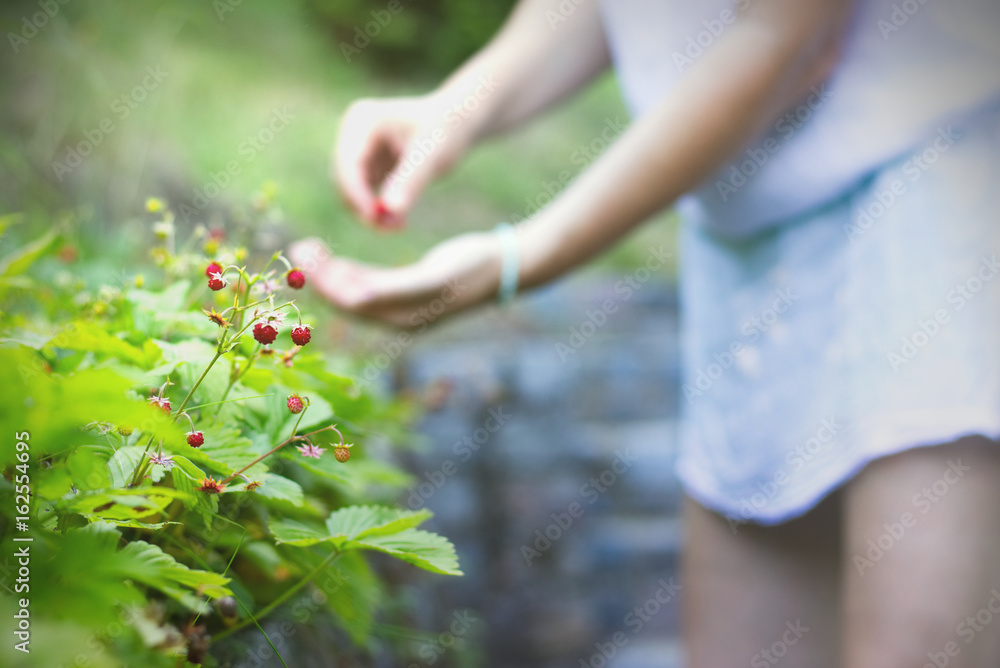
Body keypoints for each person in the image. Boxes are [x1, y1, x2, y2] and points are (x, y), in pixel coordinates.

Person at [290, 0, 1000, 665]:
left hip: (944, 193)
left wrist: (519, 259)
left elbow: (789, 36)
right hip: (748, 218)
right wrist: (458, 106)